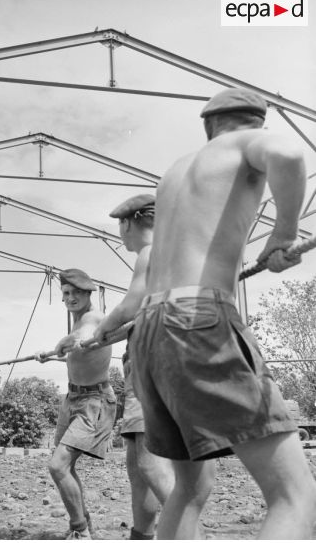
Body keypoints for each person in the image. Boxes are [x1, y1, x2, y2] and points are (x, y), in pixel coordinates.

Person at [131, 87, 316, 539]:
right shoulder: (243, 143)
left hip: (151, 332)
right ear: (256, 122)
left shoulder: (175, 173)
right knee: (296, 496)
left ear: (208, 125)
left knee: (189, 488)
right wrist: (284, 231)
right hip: (200, 319)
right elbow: (290, 154)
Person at [93, 194, 180, 540]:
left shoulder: (150, 253)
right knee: (136, 463)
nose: (120, 235)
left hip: (150, 366)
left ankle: (191, 533)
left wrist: (101, 329)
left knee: (148, 460)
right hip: (160, 361)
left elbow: (132, 304)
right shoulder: (175, 253)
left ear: (129, 222)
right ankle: (142, 533)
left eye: (120, 227)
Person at [36, 268, 116, 540]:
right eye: (66, 293)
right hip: (72, 399)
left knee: (57, 466)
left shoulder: (94, 319)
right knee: (65, 468)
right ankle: (83, 524)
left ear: (88, 293)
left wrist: (66, 341)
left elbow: (88, 338)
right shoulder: (78, 320)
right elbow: (80, 355)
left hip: (94, 401)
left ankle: (81, 531)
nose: (69, 298)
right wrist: (51, 355)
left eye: (75, 293)